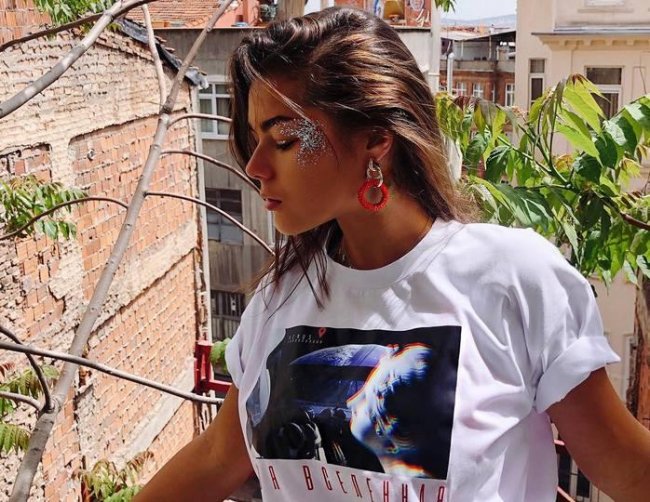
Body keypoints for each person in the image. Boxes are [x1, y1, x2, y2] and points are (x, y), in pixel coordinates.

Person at [135, 7, 650, 502]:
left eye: (285, 141)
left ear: (376, 140)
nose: (255, 166)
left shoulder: (513, 279)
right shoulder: (281, 295)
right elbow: (217, 457)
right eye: (254, 140)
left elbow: (625, 466)